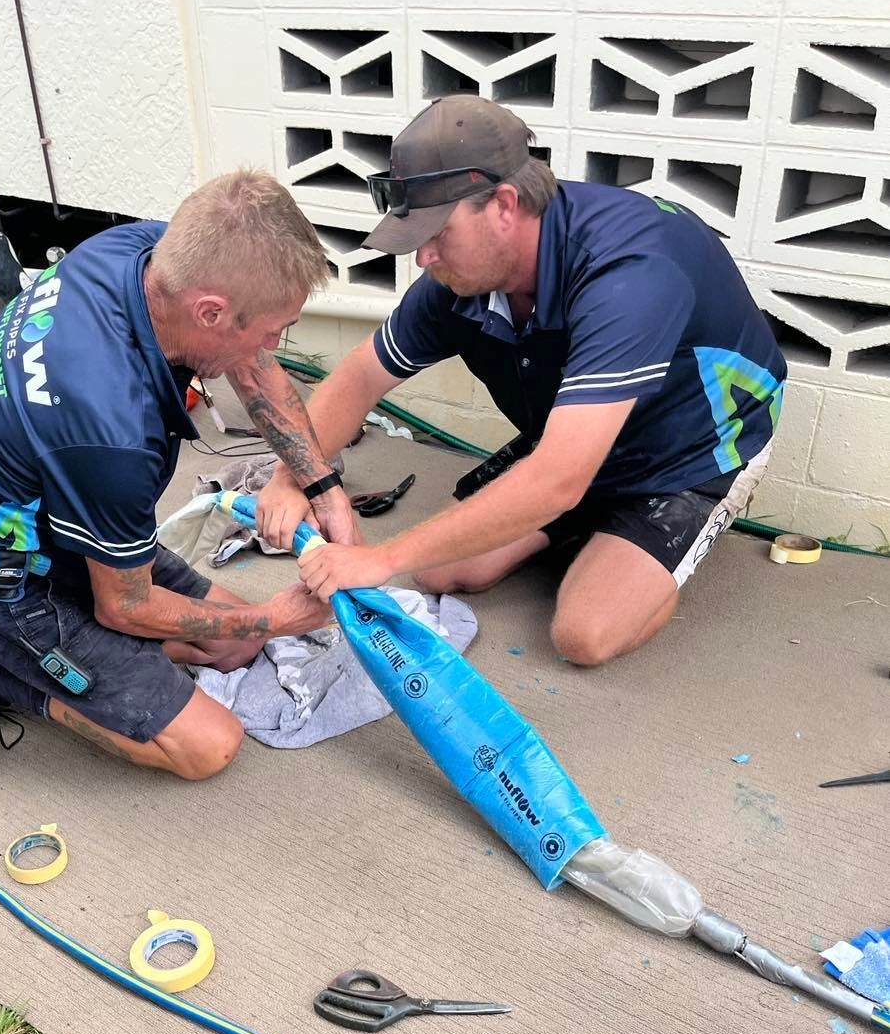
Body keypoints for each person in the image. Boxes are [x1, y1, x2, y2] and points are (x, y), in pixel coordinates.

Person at [264, 96, 785, 665]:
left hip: (688, 456)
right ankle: (568, 508)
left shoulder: (630, 273)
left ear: (505, 205)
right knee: (440, 571)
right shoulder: (460, 275)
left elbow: (558, 479)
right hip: (575, 440)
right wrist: (295, 477)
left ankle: (611, 521)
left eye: (438, 232)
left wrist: (382, 557)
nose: (424, 256)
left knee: (584, 635)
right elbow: (361, 376)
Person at [0, 170, 360, 779]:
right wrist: (277, 618)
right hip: (1, 579)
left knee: (235, 641)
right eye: (272, 329)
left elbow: (252, 365)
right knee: (208, 746)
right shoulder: (111, 429)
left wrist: (324, 490)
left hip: (58, 517)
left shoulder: (143, 253)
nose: (276, 342)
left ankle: (48, 654)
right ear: (210, 312)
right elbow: (125, 607)